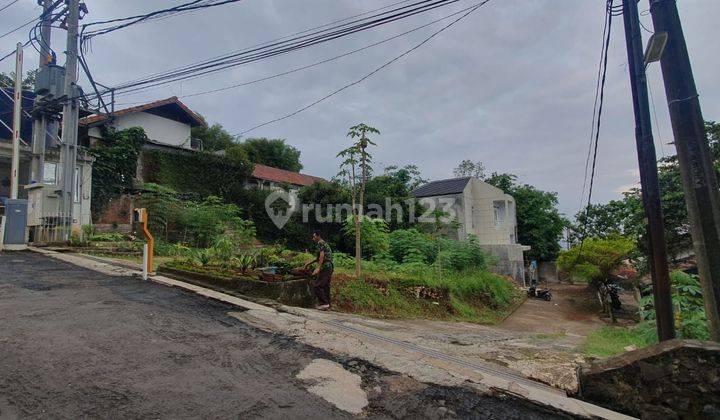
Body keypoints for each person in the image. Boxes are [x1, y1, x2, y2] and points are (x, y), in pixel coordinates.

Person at [304, 230, 333, 311]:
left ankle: (324, 303)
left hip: (325, 266)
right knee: (326, 286)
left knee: (317, 285)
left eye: (314, 236)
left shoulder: (320, 243)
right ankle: (328, 305)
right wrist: (308, 263)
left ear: (318, 236)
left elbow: (322, 256)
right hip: (330, 267)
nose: (313, 238)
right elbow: (318, 258)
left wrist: (318, 268)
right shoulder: (324, 244)